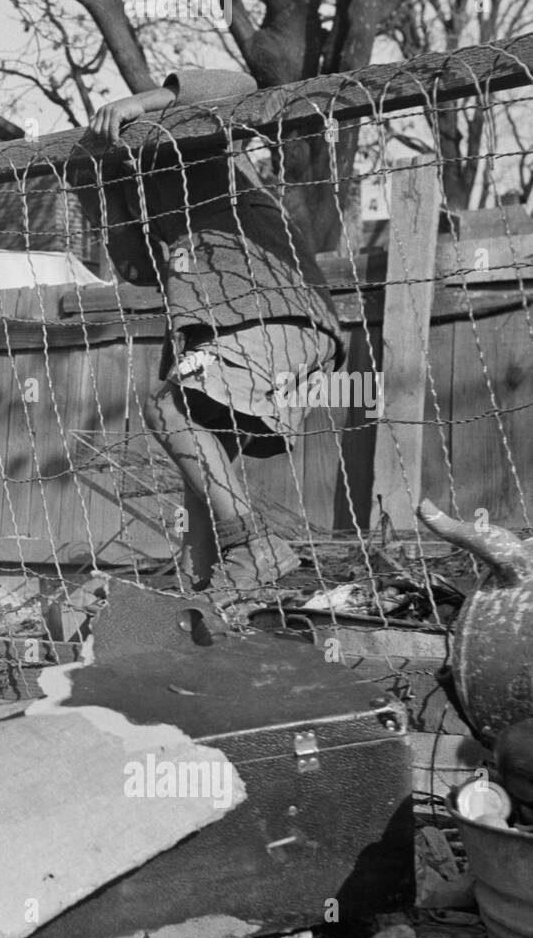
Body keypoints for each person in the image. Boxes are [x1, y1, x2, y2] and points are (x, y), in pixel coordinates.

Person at [78, 70, 344, 600]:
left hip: (269, 303)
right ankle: (211, 592)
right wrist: (99, 187)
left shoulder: (197, 130)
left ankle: (255, 546)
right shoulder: (127, 174)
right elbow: (138, 270)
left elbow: (238, 83)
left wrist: (147, 101)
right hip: (213, 318)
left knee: (168, 410)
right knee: (203, 463)